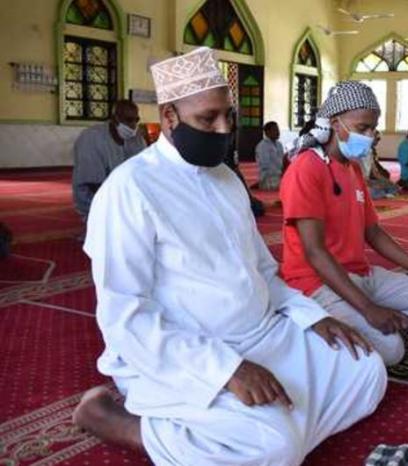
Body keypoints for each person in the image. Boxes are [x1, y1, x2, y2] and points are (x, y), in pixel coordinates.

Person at [72, 48, 386, 466]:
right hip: (190, 353)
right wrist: (227, 370)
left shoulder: (227, 180)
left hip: (264, 334)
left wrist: (313, 317)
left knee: (367, 371)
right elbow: (125, 316)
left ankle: (267, 428)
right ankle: (120, 422)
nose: (223, 129)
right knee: (273, 448)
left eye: (228, 116)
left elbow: (264, 272)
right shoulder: (129, 190)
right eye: (208, 119)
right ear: (169, 117)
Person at [280, 81, 408, 366]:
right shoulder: (307, 168)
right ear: (336, 124)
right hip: (317, 283)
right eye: (362, 127)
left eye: (372, 128)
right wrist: (369, 308)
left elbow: (373, 232)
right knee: (391, 352)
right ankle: (314, 324)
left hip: (362, 275)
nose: (370, 135)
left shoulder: (352, 168)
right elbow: (314, 253)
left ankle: (370, 323)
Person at [72, 99, 146, 222]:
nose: (133, 125)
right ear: (115, 119)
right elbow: (93, 184)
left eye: (136, 120)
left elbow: (144, 172)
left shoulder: (137, 139)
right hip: (97, 199)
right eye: (128, 120)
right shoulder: (92, 138)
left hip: (127, 196)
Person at [254, 121, 284, 191]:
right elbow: (265, 165)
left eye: (278, 130)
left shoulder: (279, 145)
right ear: (267, 132)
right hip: (268, 178)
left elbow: (281, 163)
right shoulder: (262, 146)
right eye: (275, 130)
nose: (278, 132)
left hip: (278, 176)